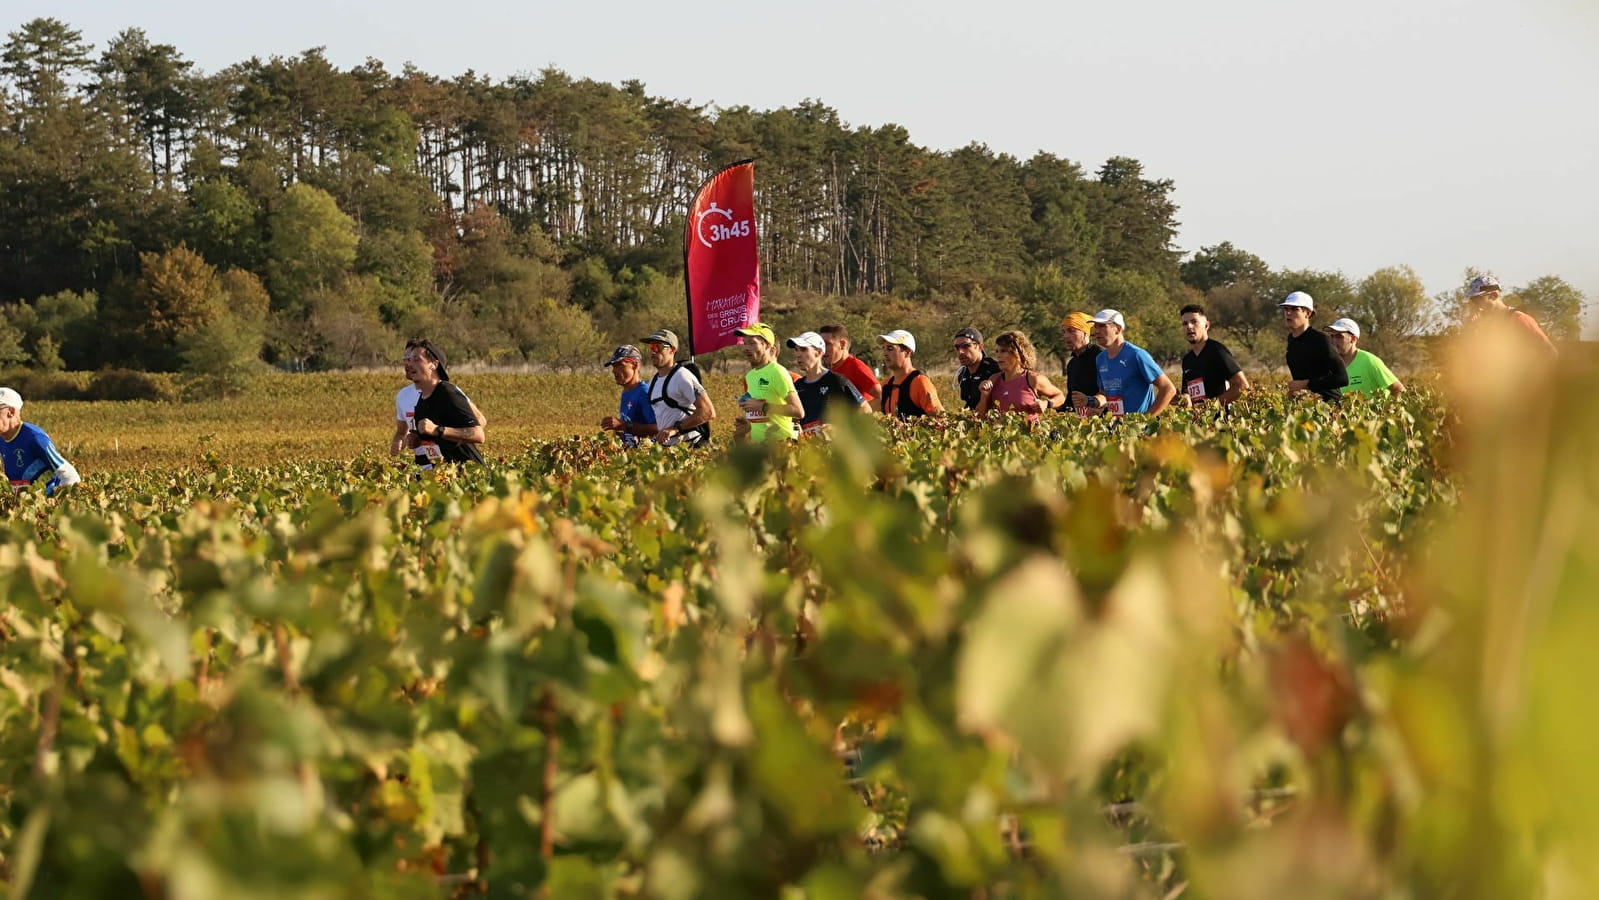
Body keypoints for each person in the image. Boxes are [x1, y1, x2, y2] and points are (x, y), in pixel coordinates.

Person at [391, 340, 487, 456]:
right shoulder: (416, 398)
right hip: (433, 468)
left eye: (415, 359)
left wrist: (441, 431)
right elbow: (404, 433)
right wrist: (417, 439)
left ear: (434, 365)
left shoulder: (448, 392)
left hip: (463, 468)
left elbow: (479, 428)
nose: (408, 363)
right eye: (407, 358)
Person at [1085, 310, 1176, 416]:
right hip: (1115, 428)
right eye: (1095, 327)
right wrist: (1094, 405)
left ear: (1118, 329)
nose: (1097, 331)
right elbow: (1105, 393)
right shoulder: (1100, 359)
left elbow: (1168, 389)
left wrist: (1146, 420)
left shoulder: (1137, 355)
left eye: (1102, 326)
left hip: (1139, 429)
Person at [642, 328, 716, 446]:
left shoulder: (682, 377)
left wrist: (675, 429)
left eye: (658, 347)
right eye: (651, 347)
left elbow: (708, 411)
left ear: (672, 350)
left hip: (690, 446)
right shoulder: (653, 382)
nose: (653, 351)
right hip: (668, 451)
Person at [0, 388, 80, 497]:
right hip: (23, 508)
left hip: (47, 505)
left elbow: (70, 475)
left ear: (11, 412)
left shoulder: (34, 437)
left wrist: (57, 502)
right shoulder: (2, 439)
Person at [732, 322, 804, 442]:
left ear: (767, 346)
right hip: (759, 447)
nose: (746, 348)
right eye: (744, 343)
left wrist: (763, 406)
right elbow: (762, 416)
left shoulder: (778, 372)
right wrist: (747, 424)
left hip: (781, 446)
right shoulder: (750, 376)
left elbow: (798, 411)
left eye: (752, 343)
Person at [974, 330, 1065, 424]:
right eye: (997, 351)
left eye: (1003, 351)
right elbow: (980, 416)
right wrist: (984, 396)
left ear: (1017, 353)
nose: (998, 355)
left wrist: (1046, 404)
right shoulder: (994, 379)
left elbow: (1060, 397)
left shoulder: (1033, 379)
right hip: (1001, 437)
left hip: (1029, 436)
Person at [788, 331, 868, 436]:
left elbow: (865, 410)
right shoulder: (797, 385)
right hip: (809, 449)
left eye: (803, 349)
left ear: (819, 352)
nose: (798, 354)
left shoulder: (836, 380)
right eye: (796, 350)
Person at [1279, 292, 1349, 403]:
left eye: (1294, 309)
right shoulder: (1291, 340)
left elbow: (1342, 378)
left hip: (1329, 409)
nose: (1288, 313)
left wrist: (1307, 384)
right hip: (1305, 407)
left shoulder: (1321, 340)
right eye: (1286, 309)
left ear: (1308, 313)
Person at [1465, 273, 1556, 352]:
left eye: (1479, 299)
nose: (1476, 304)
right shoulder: (1486, 326)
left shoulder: (1518, 318)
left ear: (1494, 295)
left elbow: (1549, 352)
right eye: (1473, 300)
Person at [1178, 304, 1250, 406]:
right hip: (1196, 420)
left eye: (1194, 322)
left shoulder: (1217, 351)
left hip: (1220, 420)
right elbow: (1187, 393)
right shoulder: (1187, 360)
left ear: (1207, 325)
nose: (1189, 327)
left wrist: (1211, 406)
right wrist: (1181, 399)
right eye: (1185, 323)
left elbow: (1242, 386)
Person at [1325, 319, 1404, 396]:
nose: (1334, 340)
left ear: (1353, 339)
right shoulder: (1330, 365)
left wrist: (1389, 409)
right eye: (1332, 336)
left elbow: (1398, 389)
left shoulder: (1370, 361)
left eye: (1339, 336)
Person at [877, 330, 944, 419]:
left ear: (907, 352)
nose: (885, 353)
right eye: (883, 348)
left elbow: (941, 419)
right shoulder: (885, 385)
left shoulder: (920, 382)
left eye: (890, 349)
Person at [598, 345, 658, 445]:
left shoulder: (644, 393)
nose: (614, 370)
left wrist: (624, 426)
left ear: (635, 365)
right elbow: (629, 427)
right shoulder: (626, 392)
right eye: (613, 366)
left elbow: (657, 428)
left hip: (644, 456)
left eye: (620, 365)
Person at [819, 324, 880, 407]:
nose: (823, 349)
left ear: (843, 344)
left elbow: (881, 397)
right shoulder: (830, 370)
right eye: (821, 345)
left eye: (827, 344)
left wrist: (857, 415)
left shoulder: (856, 367)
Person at [1060, 311, 1102, 417]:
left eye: (1071, 331)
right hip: (1080, 424)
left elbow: (1112, 392)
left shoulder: (1101, 357)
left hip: (1104, 423)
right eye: (1064, 332)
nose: (1065, 336)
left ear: (1085, 333)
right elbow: (1070, 400)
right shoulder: (1072, 364)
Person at [953, 326, 1002, 411]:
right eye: (957, 347)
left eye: (966, 346)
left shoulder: (995, 369)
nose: (960, 352)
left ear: (980, 347)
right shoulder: (963, 374)